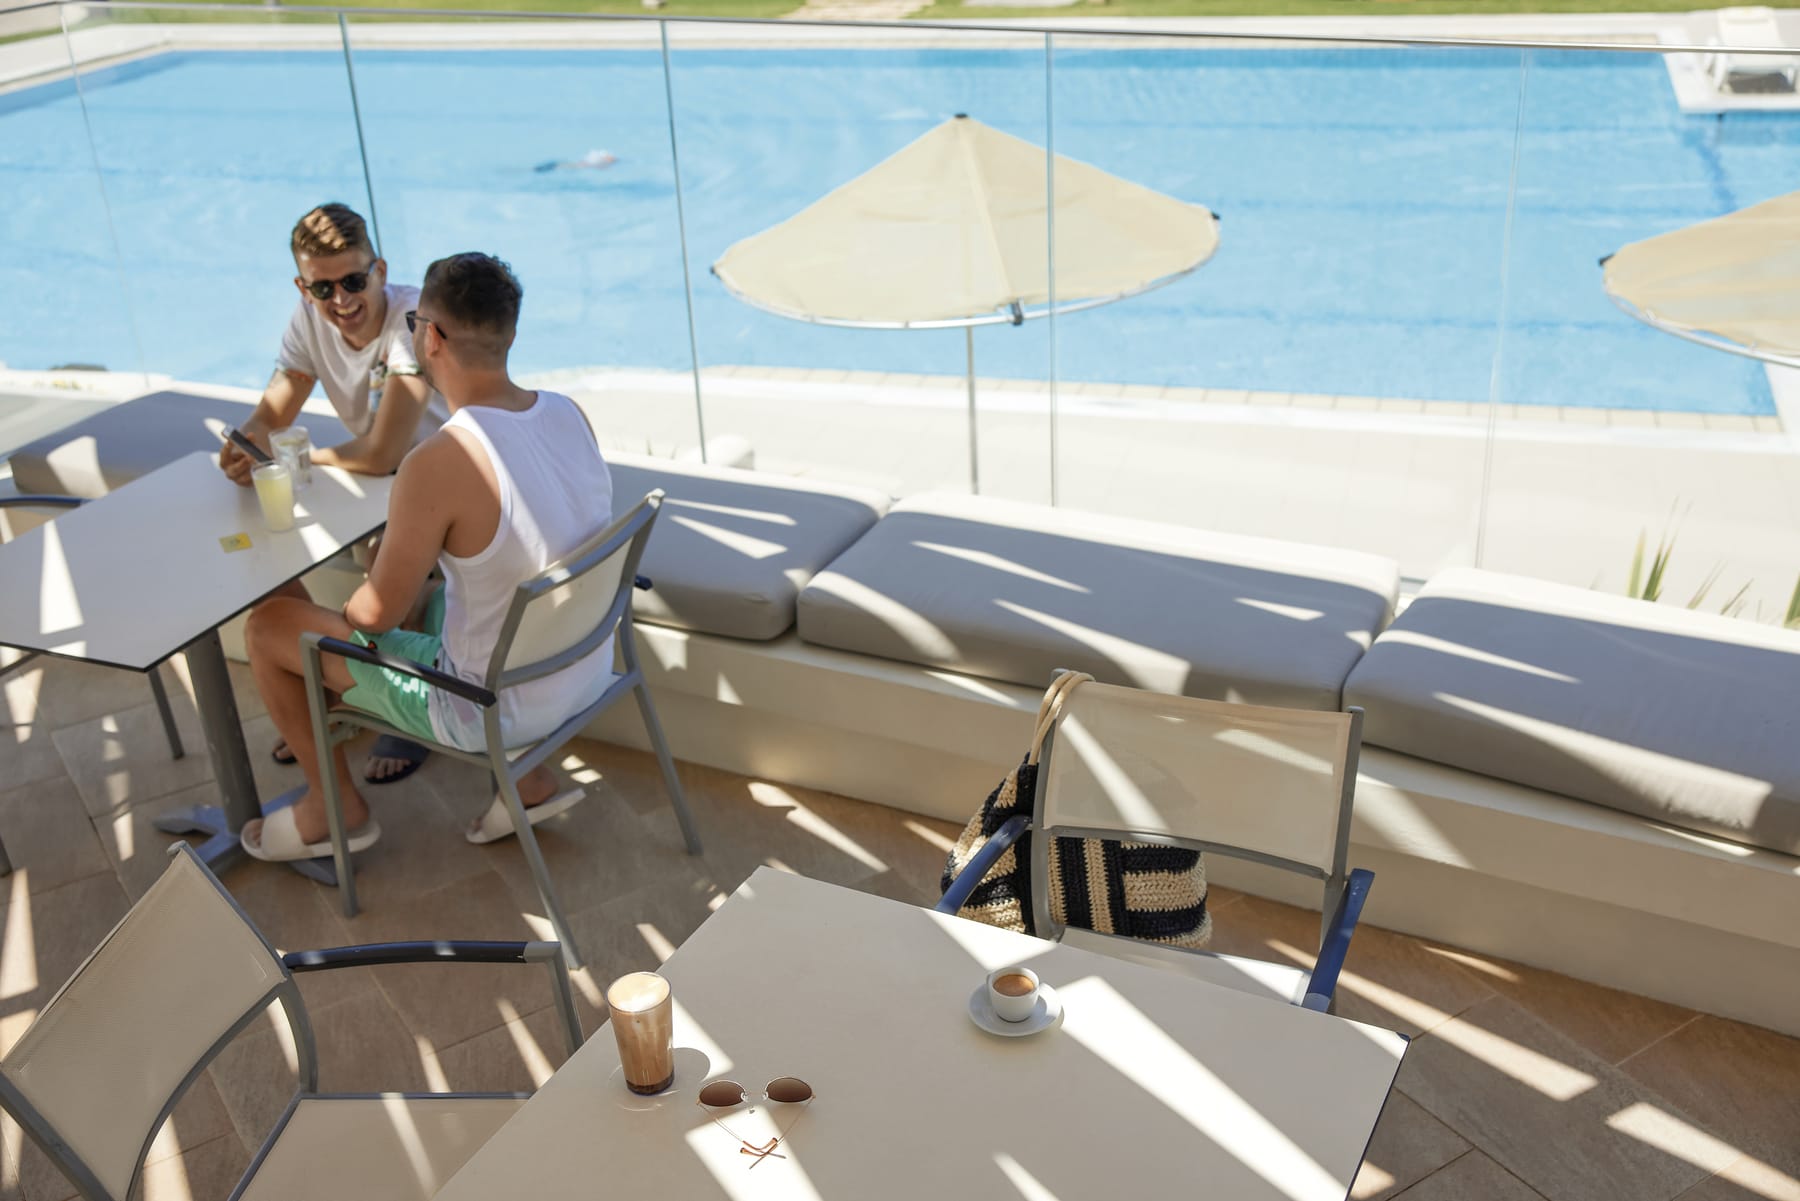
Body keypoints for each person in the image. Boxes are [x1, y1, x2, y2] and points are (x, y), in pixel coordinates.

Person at [241, 252, 614, 861]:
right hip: (585, 668)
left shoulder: (441, 460)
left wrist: (352, 613)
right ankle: (528, 780)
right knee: (441, 594)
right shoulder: (568, 413)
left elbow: (373, 618)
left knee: (271, 626)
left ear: (431, 337)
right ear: (508, 331)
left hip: (487, 708)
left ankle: (334, 808)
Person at [219, 203, 444, 785]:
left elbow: (382, 453)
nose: (340, 299)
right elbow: (276, 406)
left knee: (387, 561)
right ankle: (338, 693)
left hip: (443, 482)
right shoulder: (308, 318)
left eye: (353, 281)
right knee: (268, 552)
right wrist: (248, 442)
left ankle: (405, 712)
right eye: (323, 288)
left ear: (379, 270)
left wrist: (299, 458)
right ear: (303, 288)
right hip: (383, 490)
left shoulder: (411, 321)